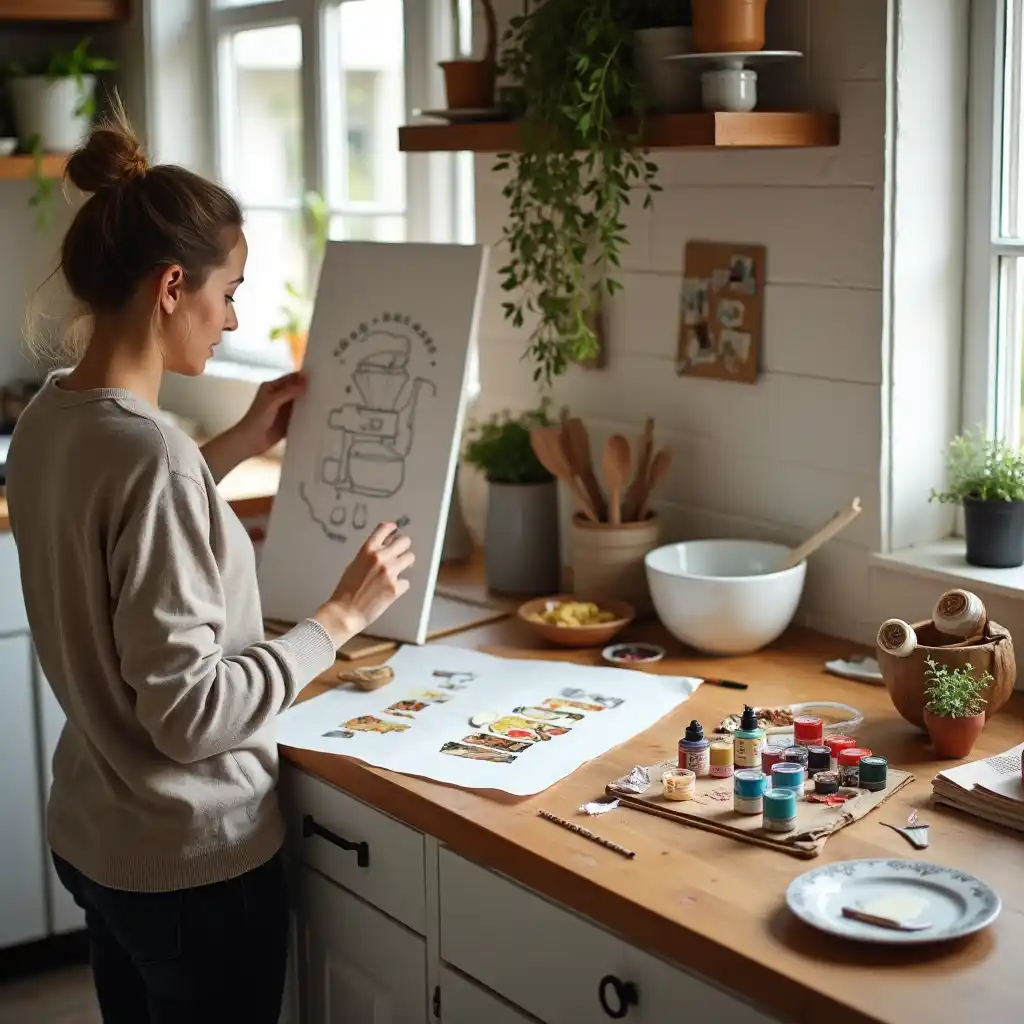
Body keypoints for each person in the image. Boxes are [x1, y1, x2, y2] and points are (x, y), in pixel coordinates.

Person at [5, 100, 415, 1024]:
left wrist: (235, 441)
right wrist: (338, 621)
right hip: (191, 865)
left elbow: (116, 521)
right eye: (228, 293)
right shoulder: (152, 460)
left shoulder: (49, 421)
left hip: (99, 836)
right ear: (171, 286)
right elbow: (190, 717)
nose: (233, 318)